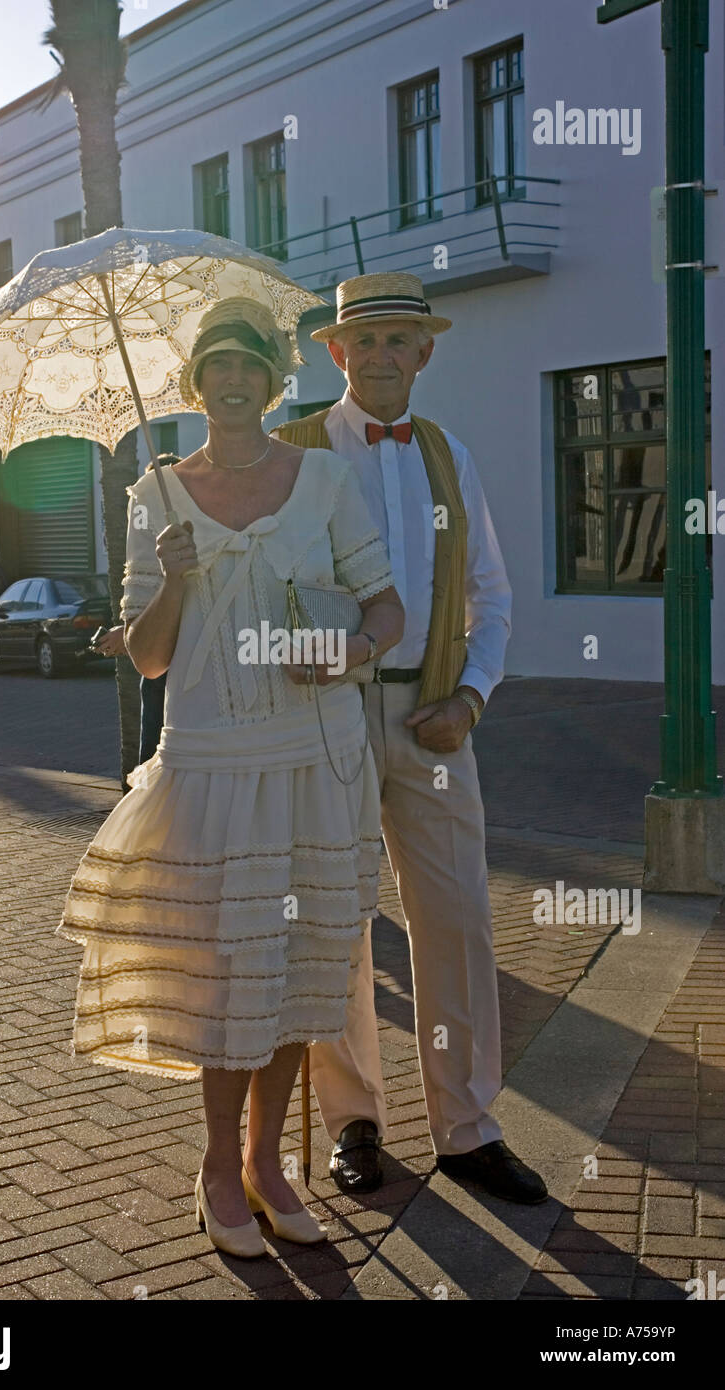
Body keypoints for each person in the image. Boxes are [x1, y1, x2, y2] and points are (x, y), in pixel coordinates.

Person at [56, 297, 404, 1258]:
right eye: (218, 366)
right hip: (212, 765)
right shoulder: (155, 497)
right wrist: (170, 579)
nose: (235, 380)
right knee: (225, 979)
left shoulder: (325, 479)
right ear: (196, 383)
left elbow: (386, 607)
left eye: (251, 364)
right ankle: (216, 1166)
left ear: (273, 377)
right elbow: (151, 659)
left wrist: (352, 654)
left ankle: (267, 1162)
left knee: (297, 977)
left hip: (315, 758)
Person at [273, 272, 547, 1205]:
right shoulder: (294, 451)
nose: (383, 355)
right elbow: (258, 593)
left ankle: (468, 1129)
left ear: (425, 354)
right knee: (334, 922)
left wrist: (470, 698)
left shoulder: (447, 454)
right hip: (326, 720)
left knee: (459, 924)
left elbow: (493, 598)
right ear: (336, 353)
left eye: (401, 340)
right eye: (366, 340)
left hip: (433, 721)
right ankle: (355, 1122)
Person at [94, 454, 178, 764]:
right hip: (156, 669)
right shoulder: (147, 532)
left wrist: (129, 638)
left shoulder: (179, 532)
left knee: (156, 755)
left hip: (171, 669)